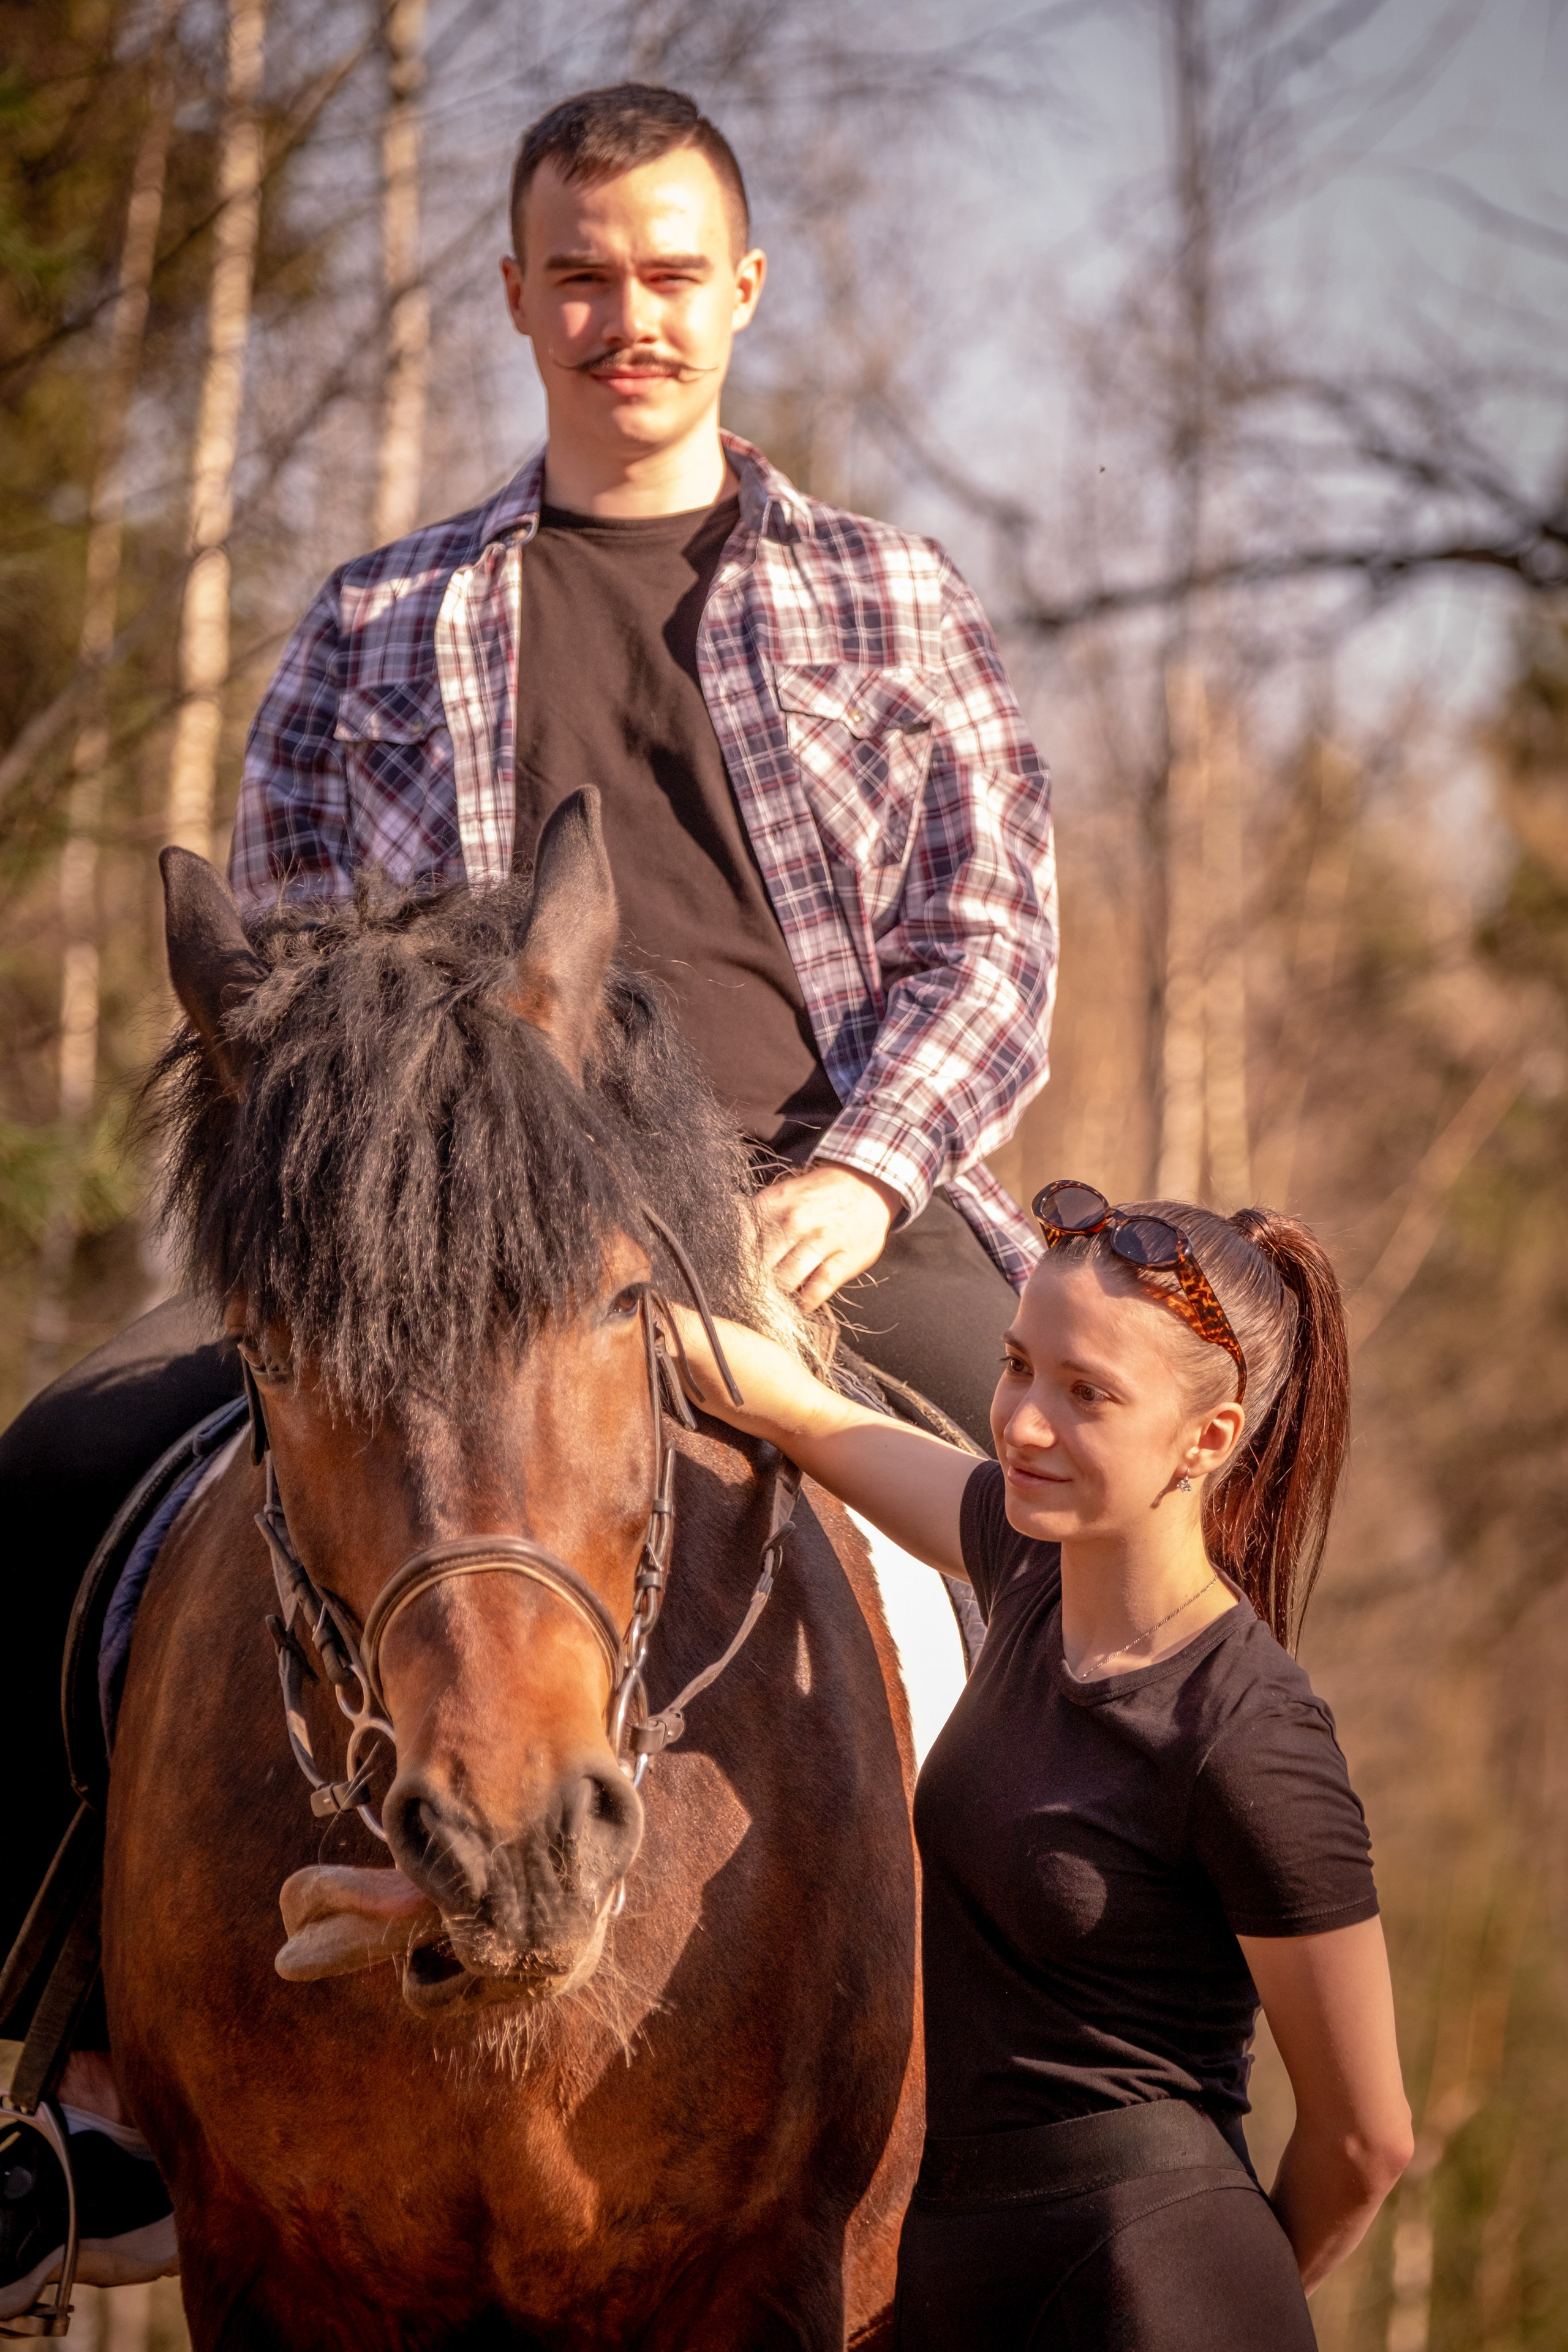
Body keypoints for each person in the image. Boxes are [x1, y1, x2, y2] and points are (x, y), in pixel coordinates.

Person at [0, 80, 1054, 2306]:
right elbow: (280, 973)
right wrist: (369, 1190)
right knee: (62, 1474)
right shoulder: (385, 619)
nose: (626, 316)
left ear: (742, 293)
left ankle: (1110, 2107)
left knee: (1096, 1539)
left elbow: (994, 935)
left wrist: (869, 1177)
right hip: (455, 1244)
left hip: (808, 1207)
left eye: (671, 274)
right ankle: (71, 2104)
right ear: (516, 297)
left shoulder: (886, 595)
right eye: (582, 276)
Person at [667, 1181, 1414, 2349]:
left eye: (1088, 1396)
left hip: (1148, 2280)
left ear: (1206, 1441)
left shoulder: (1250, 1731)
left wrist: (1216, 2301)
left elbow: (1368, 2142)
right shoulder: (1023, 1573)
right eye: (1018, 1367)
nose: (1021, 1421)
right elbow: (808, 1417)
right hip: (963, 2269)